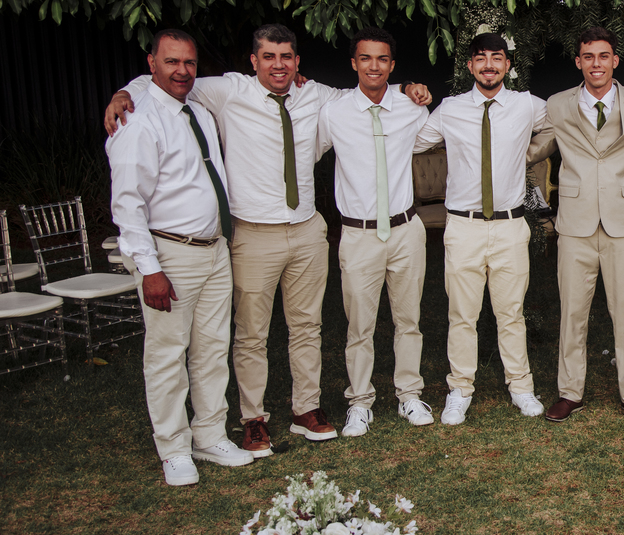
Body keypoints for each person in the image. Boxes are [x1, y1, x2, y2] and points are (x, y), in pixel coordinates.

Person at [104, 24, 431, 457]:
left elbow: (367, 89)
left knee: (307, 327)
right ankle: (253, 418)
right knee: (250, 333)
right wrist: (123, 93)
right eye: (269, 57)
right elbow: (171, 80)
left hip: (307, 229)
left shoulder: (316, 96)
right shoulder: (227, 92)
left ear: (297, 62)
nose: (279, 65)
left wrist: (409, 88)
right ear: (253, 61)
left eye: (286, 57)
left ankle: (306, 409)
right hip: (253, 233)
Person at [106, 29, 254, 485]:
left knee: (212, 349)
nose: (182, 71)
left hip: (214, 249)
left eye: (189, 62)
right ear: (151, 63)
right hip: (170, 253)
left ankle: (209, 434)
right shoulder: (138, 120)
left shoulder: (198, 110)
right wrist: (149, 268)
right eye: (171, 62)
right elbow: (127, 203)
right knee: (168, 354)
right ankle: (173, 448)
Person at [527, 27, 624, 425]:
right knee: (573, 312)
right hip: (575, 225)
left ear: (615, 61)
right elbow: (535, 148)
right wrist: (491, 152)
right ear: (578, 62)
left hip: (622, 224)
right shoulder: (558, 105)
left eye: (603, 56)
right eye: (588, 56)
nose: (596, 63)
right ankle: (570, 392)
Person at [413, 32, 548, 424]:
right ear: (470, 65)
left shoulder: (527, 105)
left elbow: (574, 114)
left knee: (511, 314)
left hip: (510, 226)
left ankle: (521, 386)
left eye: (497, 57)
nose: (489, 65)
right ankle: (460, 389)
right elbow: (412, 141)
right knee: (462, 315)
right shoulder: (450, 109)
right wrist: (405, 95)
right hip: (464, 227)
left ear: (507, 64)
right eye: (481, 58)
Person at [317, 27, 433, 436]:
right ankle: (360, 401)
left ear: (392, 65)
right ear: (354, 63)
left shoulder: (410, 108)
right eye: (365, 58)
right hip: (359, 235)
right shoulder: (334, 112)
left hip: (405, 230)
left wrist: (412, 89)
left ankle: (409, 394)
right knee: (359, 326)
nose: (374, 66)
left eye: (382, 59)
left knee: (409, 319)